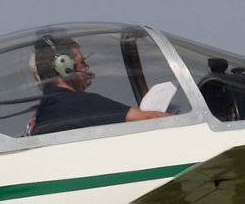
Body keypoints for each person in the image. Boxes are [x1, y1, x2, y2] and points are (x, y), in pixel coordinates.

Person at [27, 36, 172, 135]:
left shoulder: (43, 112)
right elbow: (146, 119)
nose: (86, 67)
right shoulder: (77, 103)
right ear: (65, 66)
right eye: (82, 62)